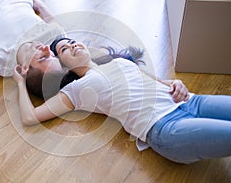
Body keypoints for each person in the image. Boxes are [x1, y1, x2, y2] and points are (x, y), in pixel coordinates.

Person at [12, 37, 231, 164]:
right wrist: (20, 83)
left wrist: (177, 84)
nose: (73, 45)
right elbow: (30, 117)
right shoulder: (77, 89)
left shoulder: (119, 62)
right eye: (64, 49)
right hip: (166, 127)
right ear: (63, 65)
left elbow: (159, 82)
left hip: (191, 102)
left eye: (72, 42)